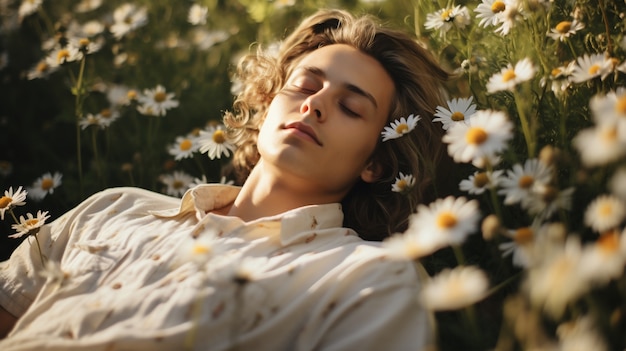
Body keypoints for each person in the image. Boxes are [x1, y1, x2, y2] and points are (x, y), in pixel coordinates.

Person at [0, 8, 452, 351]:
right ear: (269, 100)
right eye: (304, 85)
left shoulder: (367, 277)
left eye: (352, 108)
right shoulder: (115, 207)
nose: (314, 105)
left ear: (376, 162)